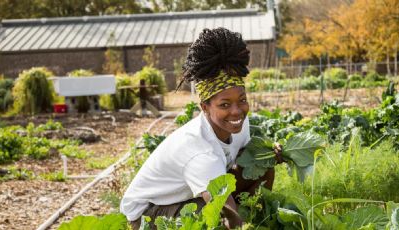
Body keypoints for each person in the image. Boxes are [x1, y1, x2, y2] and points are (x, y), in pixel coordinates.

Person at [120, 27, 282, 229]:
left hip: (185, 195)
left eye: (241, 100)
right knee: (213, 219)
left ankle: (256, 217)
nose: (236, 112)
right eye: (224, 105)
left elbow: (246, 159)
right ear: (205, 107)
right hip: (149, 214)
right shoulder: (198, 151)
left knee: (264, 166)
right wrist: (234, 221)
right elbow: (225, 209)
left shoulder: (240, 124)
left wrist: (267, 153)